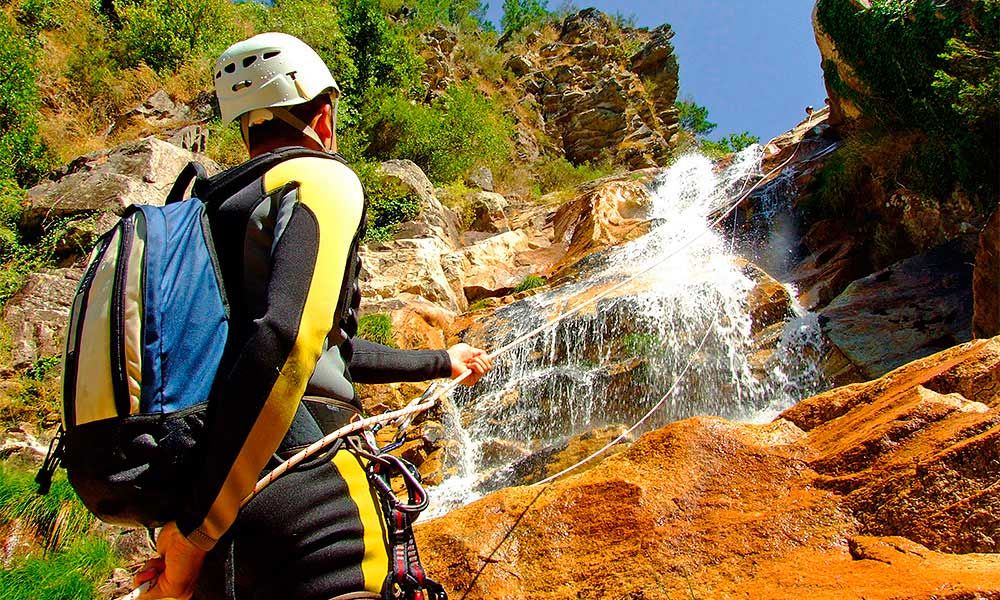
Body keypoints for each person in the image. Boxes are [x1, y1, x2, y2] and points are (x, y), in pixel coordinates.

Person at [136, 32, 492, 600]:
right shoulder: (322, 178)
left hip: (218, 500)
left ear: (245, 127)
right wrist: (193, 535)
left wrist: (442, 360)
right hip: (308, 497)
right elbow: (288, 341)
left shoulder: (212, 209)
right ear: (323, 116)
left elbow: (331, 350)